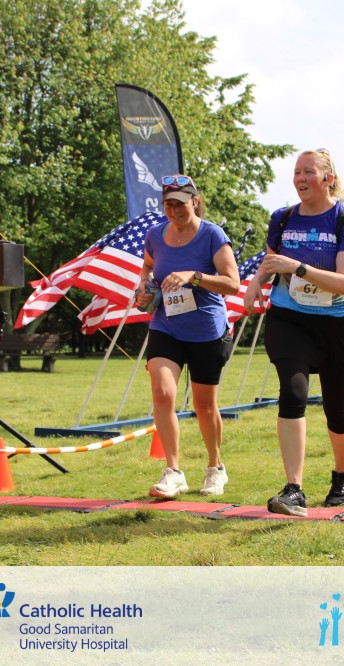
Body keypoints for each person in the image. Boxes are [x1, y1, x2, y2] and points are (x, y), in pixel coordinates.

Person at [243, 149, 344, 517]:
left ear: (328, 178)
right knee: (293, 392)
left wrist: (298, 267)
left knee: (335, 405)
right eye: (296, 172)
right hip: (291, 317)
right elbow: (271, 260)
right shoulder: (282, 218)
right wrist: (255, 284)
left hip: (339, 322)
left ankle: (342, 474)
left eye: (308, 172)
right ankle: (294, 490)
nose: (300, 178)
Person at [135, 174, 240, 498]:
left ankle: (215, 468)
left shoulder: (212, 235)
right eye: (168, 204)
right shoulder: (155, 235)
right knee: (162, 393)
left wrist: (194, 276)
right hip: (166, 324)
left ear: (194, 202)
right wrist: (144, 287)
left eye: (180, 204)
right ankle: (173, 472)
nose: (174, 210)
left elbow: (233, 283)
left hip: (206, 329)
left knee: (204, 405)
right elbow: (148, 266)